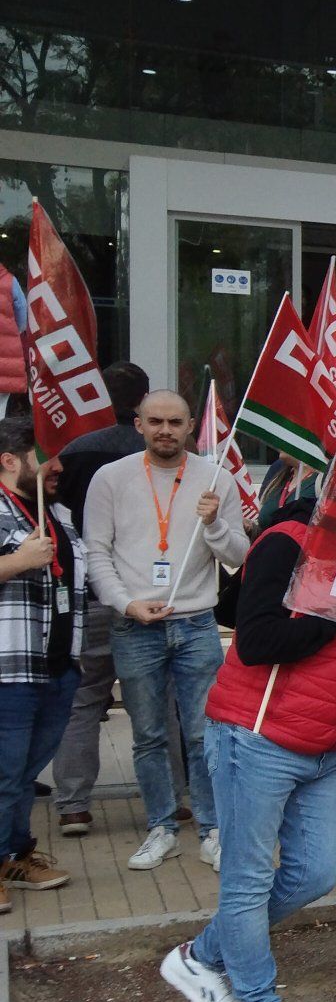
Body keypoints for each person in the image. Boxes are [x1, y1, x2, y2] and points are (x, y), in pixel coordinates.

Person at [158, 472, 336, 1002]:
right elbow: (252, 639)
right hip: (256, 738)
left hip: (326, 748)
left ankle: (201, 955)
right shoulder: (288, 539)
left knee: (314, 876)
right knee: (247, 882)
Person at [84, 390, 249, 872]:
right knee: (148, 735)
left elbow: (238, 556)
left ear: (191, 425)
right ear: (138, 424)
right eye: (155, 421)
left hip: (196, 623)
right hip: (134, 624)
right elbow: (98, 554)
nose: (165, 430)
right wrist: (127, 604)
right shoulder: (110, 479)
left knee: (205, 734)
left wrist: (215, 522)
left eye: (175, 422)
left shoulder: (216, 479)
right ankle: (161, 827)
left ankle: (212, 828)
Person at [50, 361, 151, 839]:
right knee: (156, 701)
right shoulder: (156, 451)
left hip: (89, 591)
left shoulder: (71, 451)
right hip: (144, 596)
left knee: (84, 702)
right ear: (143, 403)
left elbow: (57, 513)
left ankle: (72, 805)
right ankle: (167, 802)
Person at [0, 415, 82, 902]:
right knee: (6, 773)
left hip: (55, 667)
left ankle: (14, 854)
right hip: (10, 670)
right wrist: (15, 562)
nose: (57, 465)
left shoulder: (56, 513)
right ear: (10, 460)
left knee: (23, 775)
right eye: (45, 455)